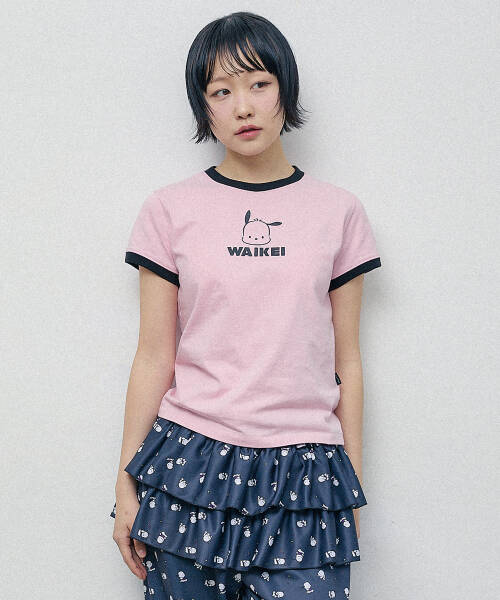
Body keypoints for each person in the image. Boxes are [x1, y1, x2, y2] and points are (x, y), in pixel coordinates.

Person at [110, 10, 382, 600]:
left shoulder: (339, 212)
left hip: (306, 471)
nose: (243, 107)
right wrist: (126, 481)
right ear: (203, 107)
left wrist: (350, 487)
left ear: (286, 88)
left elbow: (348, 362)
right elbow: (154, 356)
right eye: (221, 91)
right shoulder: (168, 210)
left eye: (259, 83)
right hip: (189, 467)